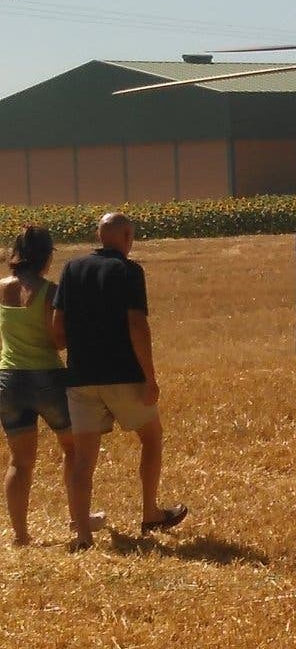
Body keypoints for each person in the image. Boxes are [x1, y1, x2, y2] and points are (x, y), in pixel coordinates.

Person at [53, 213, 186, 551]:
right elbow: (137, 325)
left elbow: (58, 330)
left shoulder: (71, 269)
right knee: (152, 438)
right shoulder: (129, 271)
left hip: (81, 377)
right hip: (124, 375)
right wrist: (149, 377)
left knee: (83, 459)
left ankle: (83, 535)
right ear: (127, 236)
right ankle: (150, 512)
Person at [1, 226, 99, 546]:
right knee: (72, 449)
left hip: (8, 380)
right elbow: (57, 340)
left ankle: (20, 535)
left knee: (19, 461)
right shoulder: (50, 291)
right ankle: (77, 519)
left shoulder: (0, 288)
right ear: (46, 256)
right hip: (47, 377)